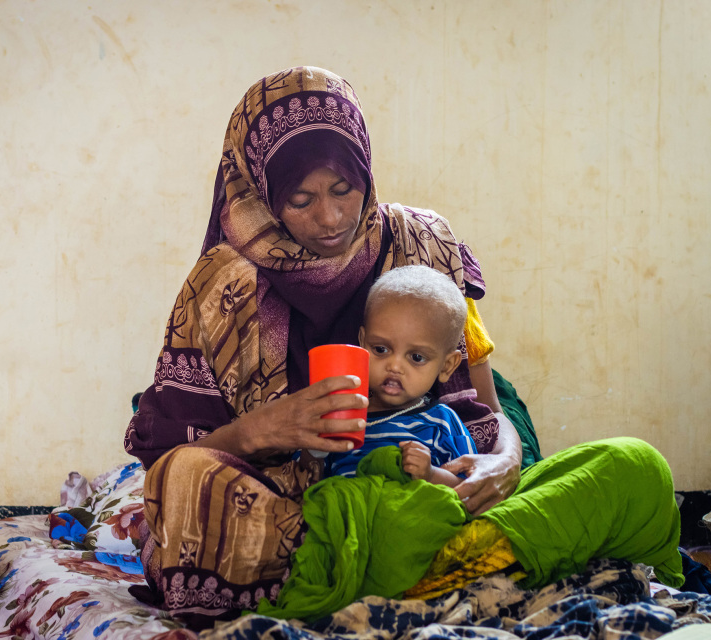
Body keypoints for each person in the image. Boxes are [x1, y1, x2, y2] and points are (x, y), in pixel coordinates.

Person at [123, 67, 682, 627]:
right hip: (311, 527)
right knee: (189, 480)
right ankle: (467, 565)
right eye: (300, 199)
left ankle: (447, 563)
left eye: (345, 189)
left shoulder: (422, 245)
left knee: (635, 466)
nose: (331, 217)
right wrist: (262, 430)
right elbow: (168, 472)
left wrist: (504, 464)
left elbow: (488, 409)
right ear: (264, 195)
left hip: (444, 506)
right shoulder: (223, 285)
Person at [322, 265, 478, 486]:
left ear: (446, 367)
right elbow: (307, 478)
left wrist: (431, 475)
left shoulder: (442, 422)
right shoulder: (343, 413)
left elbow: (470, 488)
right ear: (362, 343)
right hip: (350, 514)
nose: (394, 366)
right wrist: (315, 446)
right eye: (380, 350)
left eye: (416, 357)